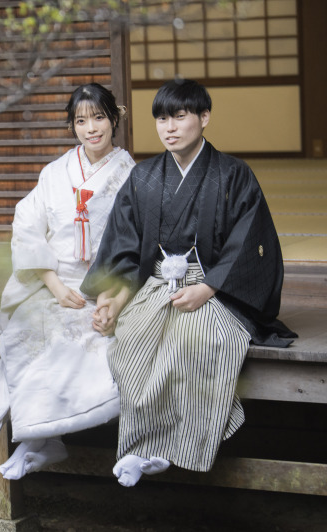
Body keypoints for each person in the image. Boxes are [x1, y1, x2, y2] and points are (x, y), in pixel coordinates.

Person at [80, 78, 296, 487]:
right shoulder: (144, 177)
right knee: (130, 340)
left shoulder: (233, 174)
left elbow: (249, 242)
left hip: (215, 288)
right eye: (161, 118)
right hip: (158, 284)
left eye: (180, 116)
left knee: (195, 340)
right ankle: (140, 448)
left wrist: (209, 287)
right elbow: (124, 245)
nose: (170, 127)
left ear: (204, 117)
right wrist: (111, 297)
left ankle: (176, 447)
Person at [0, 83, 135, 480]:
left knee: (83, 340)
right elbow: (28, 228)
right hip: (52, 279)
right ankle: (40, 441)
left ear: (115, 118)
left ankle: (42, 439)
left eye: (99, 117)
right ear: (72, 126)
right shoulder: (55, 172)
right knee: (24, 334)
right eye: (81, 120)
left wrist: (112, 296)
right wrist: (53, 284)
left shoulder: (132, 174)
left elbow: (139, 244)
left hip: (104, 285)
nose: (91, 128)